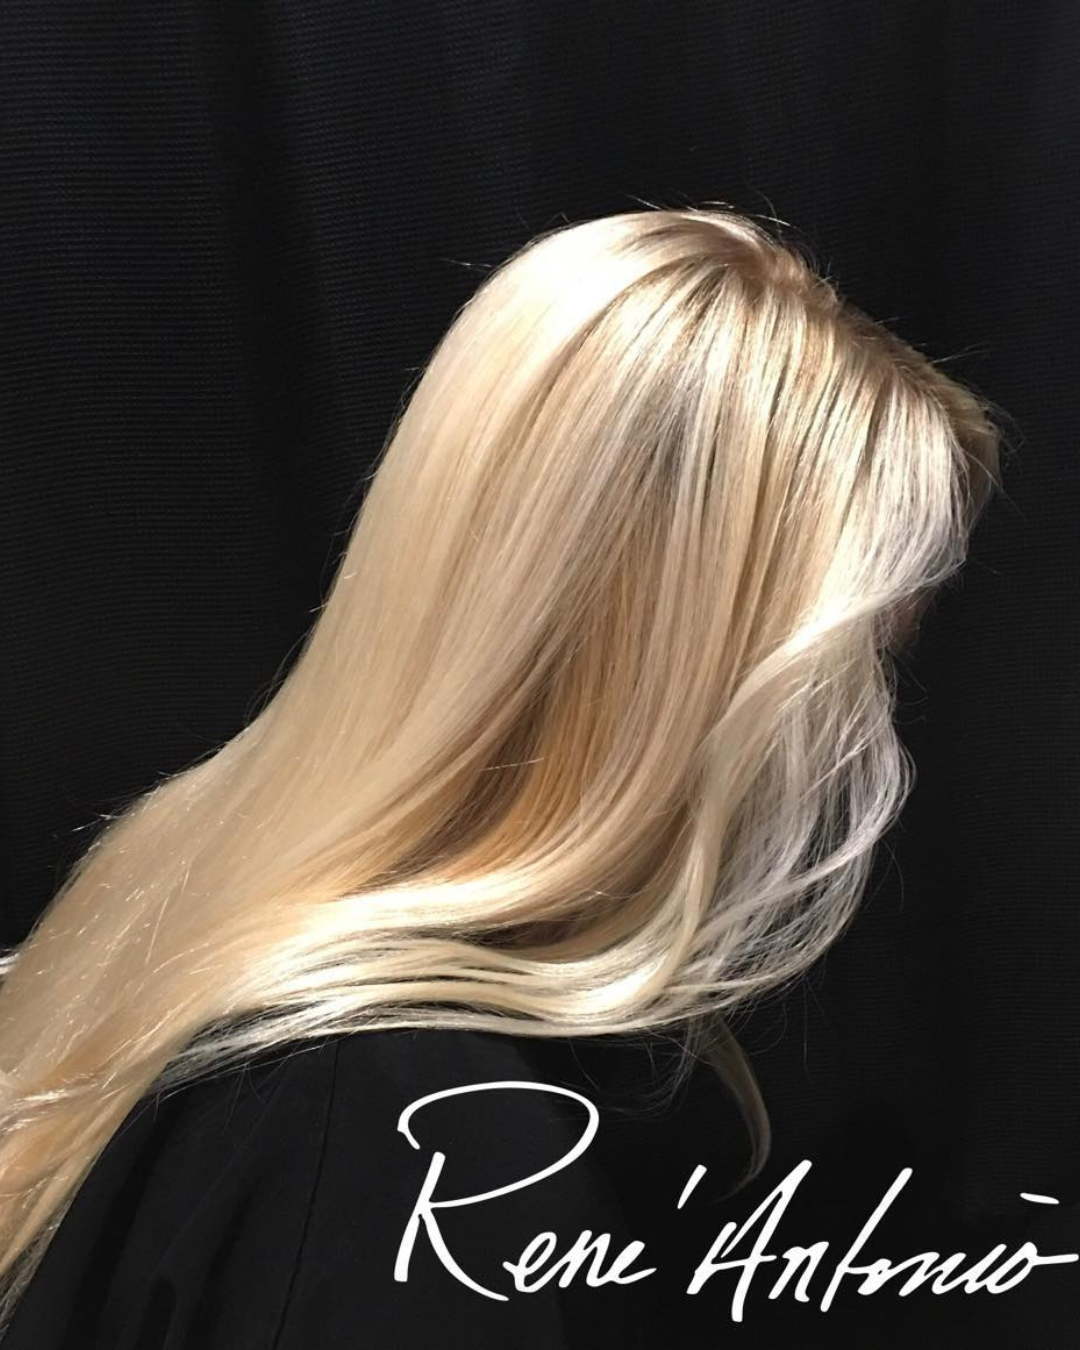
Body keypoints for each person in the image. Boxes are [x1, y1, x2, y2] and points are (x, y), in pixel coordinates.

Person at [0, 205, 1001, 1347]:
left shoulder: (181, 911)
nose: (871, 731)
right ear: (696, 676)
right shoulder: (417, 1144)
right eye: (867, 663)